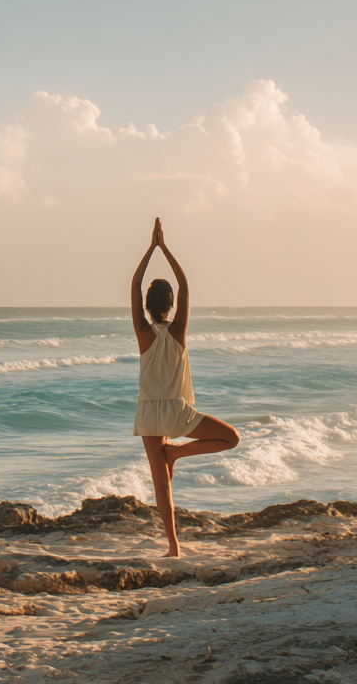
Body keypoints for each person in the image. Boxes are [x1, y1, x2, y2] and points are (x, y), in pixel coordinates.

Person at [131, 217, 240, 557]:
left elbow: (134, 286)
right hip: (177, 412)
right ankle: (177, 452)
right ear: (172, 305)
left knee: (161, 484)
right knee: (230, 438)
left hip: (149, 413)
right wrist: (165, 247)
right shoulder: (177, 332)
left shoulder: (144, 334)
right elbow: (185, 284)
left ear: (147, 308)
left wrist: (151, 248)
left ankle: (174, 546)